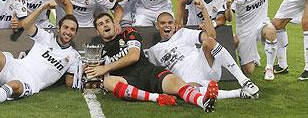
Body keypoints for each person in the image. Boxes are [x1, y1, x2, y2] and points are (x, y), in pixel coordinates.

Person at [85, 13, 219, 112]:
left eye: (107, 21)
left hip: (148, 72)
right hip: (128, 81)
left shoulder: (128, 33)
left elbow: (134, 56)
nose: (105, 25)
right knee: (108, 82)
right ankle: (156, 98)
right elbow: (93, 74)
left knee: (175, 82)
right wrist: (91, 70)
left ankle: (203, 101)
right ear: (97, 31)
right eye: (101, 24)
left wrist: (105, 67)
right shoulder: (97, 50)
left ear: (114, 24)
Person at [148, 5, 260, 100]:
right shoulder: (153, 51)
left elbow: (209, 37)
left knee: (209, 42)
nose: (167, 25)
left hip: (205, 66)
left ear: (174, 24)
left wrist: (204, 13)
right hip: (188, 79)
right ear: (157, 26)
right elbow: (155, 74)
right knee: (189, 91)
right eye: (162, 23)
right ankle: (239, 93)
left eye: (170, 22)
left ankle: (244, 81)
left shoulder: (182, 33)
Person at [226, 0, 277, 80]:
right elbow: (228, 18)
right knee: (248, 71)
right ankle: (253, 57)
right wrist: (228, 6)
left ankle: (269, 68)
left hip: (261, 25)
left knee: (270, 29)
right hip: (244, 31)